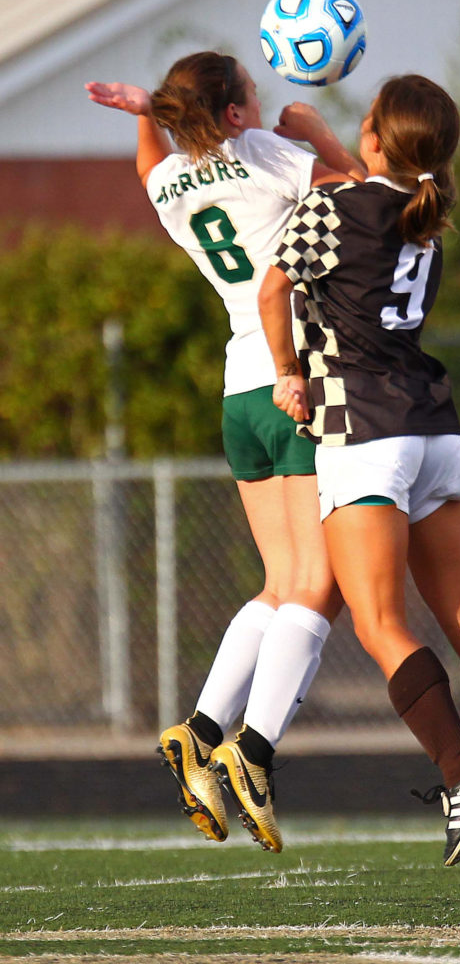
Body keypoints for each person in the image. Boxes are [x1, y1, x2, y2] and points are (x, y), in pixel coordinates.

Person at [258, 73, 460, 866]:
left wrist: (287, 371)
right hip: (432, 426)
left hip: (363, 428)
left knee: (378, 622)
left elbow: (274, 291)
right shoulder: (425, 213)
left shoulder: (334, 206)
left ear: (375, 138)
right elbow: (369, 190)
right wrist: (333, 142)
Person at [86, 52, 366, 854]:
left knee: (283, 582)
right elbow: (360, 200)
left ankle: (201, 727)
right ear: (237, 113)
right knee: (320, 585)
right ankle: (253, 748)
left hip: (238, 391)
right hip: (297, 378)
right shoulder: (265, 154)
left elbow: (151, 163)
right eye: (253, 87)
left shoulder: (173, 182)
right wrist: (315, 131)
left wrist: (147, 114)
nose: (264, 94)